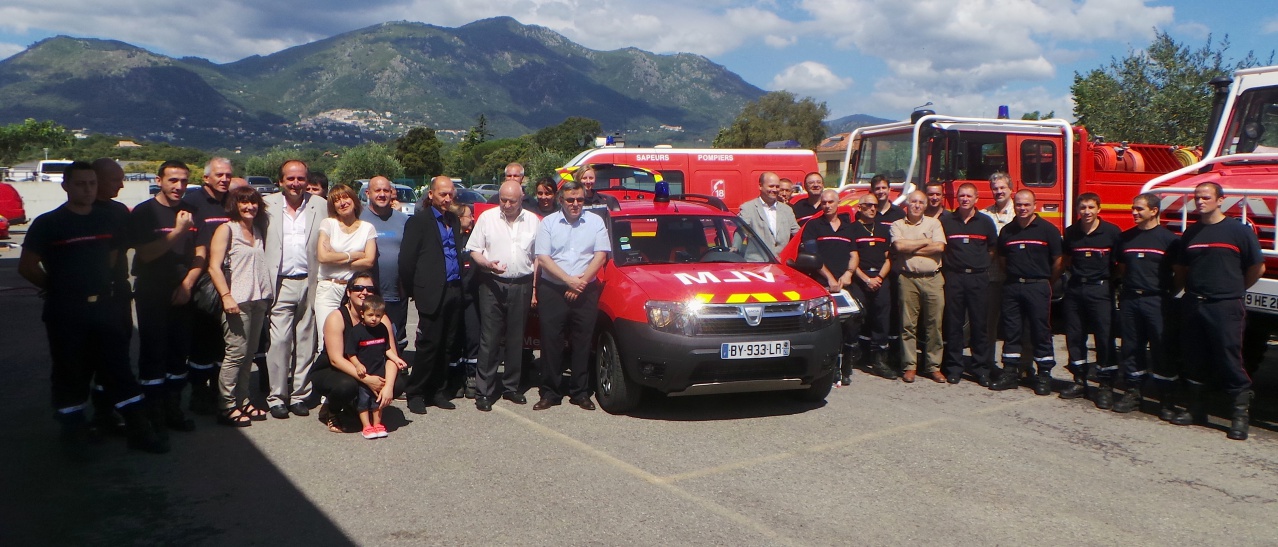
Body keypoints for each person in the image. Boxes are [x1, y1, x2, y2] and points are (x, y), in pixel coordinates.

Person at [19, 161, 167, 459]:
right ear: (65, 186)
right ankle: (73, 435)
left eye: (91, 184)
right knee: (70, 371)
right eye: (80, 184)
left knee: (119, 369)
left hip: (105, 308)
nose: (87, 189)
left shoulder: (107, 220)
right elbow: (27, 266)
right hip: (66, 313)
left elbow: (111, 263)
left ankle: (138, 430)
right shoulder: (48, 224)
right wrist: (57, 287)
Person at [1175, 182, 1264, 440]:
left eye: (1205, 197)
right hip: (1194, 303)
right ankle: (1196, 409)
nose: (1200, 202)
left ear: (1221, 200)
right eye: (1196, 198)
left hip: (1225, 305)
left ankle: (1239, 416)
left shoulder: (1238, 231)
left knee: (1229, 358)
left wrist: (1233, 289)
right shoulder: (1191, 233)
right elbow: (1182, 268)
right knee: (1194, 357)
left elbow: (1256, 268)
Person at [128, 160, 201, 436]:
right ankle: (153, 412)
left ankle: (173, 408)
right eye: (173, 180)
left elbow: (201, 252)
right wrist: (178, 232)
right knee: (153, 353)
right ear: (159, 180)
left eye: (183, 181)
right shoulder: (144, 213)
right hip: (152, 292)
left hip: (183, 291)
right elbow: (145, 254)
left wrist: (187, 284)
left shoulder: (191, 211)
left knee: (178, 353)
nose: (179, 186)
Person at [533, 181, 610, 410]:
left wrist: (581, 282)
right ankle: (550, 392)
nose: (575, 204)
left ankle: (580, 392)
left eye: (579, 199)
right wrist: (569, 281)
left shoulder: (596, 222)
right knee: (550, 342)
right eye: (570, 200)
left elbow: (601, 256)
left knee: (583, 342)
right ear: (561, 200)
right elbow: (543, 258)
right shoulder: (548, 223)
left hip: (586, 289)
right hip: (553, 288)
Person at [466, 180, 540, 410]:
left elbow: (538, 257)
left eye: (512, 201)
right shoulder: (488, 218)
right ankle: (484, 391)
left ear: (521, 199)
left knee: (516, 337)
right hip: (492, 282)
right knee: (490, 338)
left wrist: (535, 288)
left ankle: (511, 387)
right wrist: (486, 263)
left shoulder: (532, 220)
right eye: (503, 200)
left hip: (522, 283)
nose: (506, 205)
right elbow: (474, 250)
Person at [262, 159, 327, 419]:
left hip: (311, 281)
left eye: (300, 179)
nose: (296, 183)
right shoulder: (267, 205)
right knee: (278, 341)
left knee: (306, 340)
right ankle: (277, 396)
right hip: (280, 282)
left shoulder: (320, 205)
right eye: (290, 178)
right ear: (280, 181)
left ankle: (300, 394)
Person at [206, 186, 274, 427]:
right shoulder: (227, 229)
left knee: (248, 355)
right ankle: (226, 406)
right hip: (237, 301)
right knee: (235, 354)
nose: (249, 207)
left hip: (258, 300)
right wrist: (226, 296)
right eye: (244, 202)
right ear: (235, 205)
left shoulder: (256, 229)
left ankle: (243, 400)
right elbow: (214, 266)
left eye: (253, 202)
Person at [313, 271, 407, 433]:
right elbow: (336, 359)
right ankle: (332, 410)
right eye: (358, 288)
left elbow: (391, 354)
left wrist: (388, 387)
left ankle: (357, 407)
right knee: (346, 386)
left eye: (369, 289)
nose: (364, 292)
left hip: (369, 366)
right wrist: (369, 380)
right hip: (335, 370)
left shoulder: (381, 318)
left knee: (397, 383)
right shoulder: (337, 317)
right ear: (348, 292)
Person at [400, 176, 464, 414]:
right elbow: (407, 260)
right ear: (431, 194)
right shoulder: (419, 221)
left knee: (448, 345)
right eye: (442, 194)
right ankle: (415, 392)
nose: (447, 199)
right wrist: (414, 290)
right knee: (428, 345)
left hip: (454, 290)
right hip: (431, 292)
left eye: (450, 194)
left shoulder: (453, 220)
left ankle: (438, 390)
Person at [989, 190, 1062, 395]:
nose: (1022, 208)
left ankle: (1044, 375)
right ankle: (1010, 373)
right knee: (1011, 330)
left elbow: (1058, 261)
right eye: (1019, 204)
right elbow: (1002, 261)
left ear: (1035, 205)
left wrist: (1047, 282)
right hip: (1013, 285)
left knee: (1040, 331)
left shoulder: (1048, 230)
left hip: (1037, 286)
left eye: (1026, 205)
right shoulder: (1008, 231)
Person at [1116, 193, 1180, 416]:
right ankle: (1133, 392)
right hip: (1131, 299)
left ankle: (1166, 399)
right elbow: (1123, 269)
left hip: (1157, 300)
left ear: (1154, 211)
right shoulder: (1125, 239)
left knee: (1161, 348)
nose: (1134, 213)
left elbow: (1180, 274)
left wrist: (1165, 294)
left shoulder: (1169, 240)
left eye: (1139, 209)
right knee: (1131, 347)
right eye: (1133, 208)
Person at [1058, 193, 1121, 407]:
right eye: (1083, 207)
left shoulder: (1112, 233)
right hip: (1076, 288)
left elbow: (1119, 265)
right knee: (1075, 336)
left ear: (1099, 209)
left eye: (1091, 207)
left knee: (1104, 337)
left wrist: (1108, 284)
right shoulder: (1071, 233)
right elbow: (1066, 260)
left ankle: (1105, 385)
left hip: (1100, 290)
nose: (1086, 211)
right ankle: (1079, 380)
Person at [184, 157, 234, 415]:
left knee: (223, 342)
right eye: (219, 175)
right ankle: (198, 393)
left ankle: (217, 389)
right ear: (206, 178)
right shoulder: (192, 201)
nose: (224, 179)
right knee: (202, 339)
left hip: (230, 278)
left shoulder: (233, 201)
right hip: (203, 280)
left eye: (228, 175)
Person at [88, 158, 133, 435]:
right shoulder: (81, 213)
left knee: (118, 354)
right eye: (115, 179)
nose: (121, 184)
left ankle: (109, 409)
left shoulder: (120, 212)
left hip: (118, 292)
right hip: (88, 297)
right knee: (87, 357)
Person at [940, 183, 998, 385]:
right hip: (954, 277)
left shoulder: (985, 222)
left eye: (969, 196)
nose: (965, 199)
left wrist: (979, 265)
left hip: (978, 278)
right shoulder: (947, 221)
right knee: (954, 324)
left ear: (976, 199)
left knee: (979, 324)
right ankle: (954, 367)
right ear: (957, 198)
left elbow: (992, 249)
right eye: (961, 195)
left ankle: (980, 368)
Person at [801, 189, 859, 385]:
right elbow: (813, 257)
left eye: (830, 202)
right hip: (821, 285)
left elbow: (854, 254)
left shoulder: (848, 227)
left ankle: (847, 367)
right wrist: (830, 278)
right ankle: (830, 369)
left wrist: (849, 273)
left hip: (844, 284)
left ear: (838, 202)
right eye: (824, 202)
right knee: (829, 328)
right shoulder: (813, 226)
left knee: (850, 326)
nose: (826, 205)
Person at [890, 190, 947, 383]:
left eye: (920, 202)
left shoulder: (934, 223)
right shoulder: (897, 225)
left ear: (925, 205)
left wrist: (911, 247)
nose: (916, 205)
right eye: (913, 201)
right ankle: (910, 366)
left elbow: (939, 248)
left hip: (933, 278)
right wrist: (925, 241)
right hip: (908, 279)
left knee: (934, 325)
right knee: (908, 325)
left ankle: (933, 366)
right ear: (907, 204)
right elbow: (899, 248)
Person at [314, 184, 378, 352]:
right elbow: (323, 257)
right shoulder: (328, 224)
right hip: (328, 288)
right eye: (336, 200)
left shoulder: (367, 228)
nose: (342, 203)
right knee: (326, 341)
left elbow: (369, 261)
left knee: (354, 338)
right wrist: (354, 255)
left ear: (354, 200)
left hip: (356, 290)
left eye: (345, 198)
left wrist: (336, 256)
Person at [343, 294, 406, 439]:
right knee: (364, 401)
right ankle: (366, 426)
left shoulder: (382, 328)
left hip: (379, 370)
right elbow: (350, 353)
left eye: (378, 315)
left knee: (377, 401)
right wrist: (357, 365)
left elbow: (387, 349)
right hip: (364, 374)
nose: (374, 319)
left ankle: (377, 424)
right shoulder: (357, 331)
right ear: (362, 314)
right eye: (370, 315)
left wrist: (397, 359)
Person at [849, 193, 895, 379]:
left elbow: (889, 258)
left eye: (875, 205)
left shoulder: (883, 230)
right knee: (857, 319)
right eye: (868, 205)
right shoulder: (851, 229)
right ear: (859, 208)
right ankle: (854, 356)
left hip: (880, 280)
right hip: (860, 279)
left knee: (882, 319)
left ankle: (879, 360)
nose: (872, 209)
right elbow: (851, 259)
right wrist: (866, 279)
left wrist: (879, 278)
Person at [362, 176, 411, 351]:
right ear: (368, 193)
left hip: (397, 291)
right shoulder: (358, 218)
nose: (382, 195)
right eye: (377, 190)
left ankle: (397, 370)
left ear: (392, 193)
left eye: (386, 191)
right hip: (367, 290)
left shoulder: (403, 220)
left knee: (396, 335)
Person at [981, 172, 1016, 364]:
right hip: (991, 278)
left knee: (1014, 324)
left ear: (1011, 189)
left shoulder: (1019, 214)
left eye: (1003, 187)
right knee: (989, 324)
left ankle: (1015, 366)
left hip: (1013, 278)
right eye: (995, 188)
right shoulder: (984, 215)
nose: (999, 191)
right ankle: (987, 363)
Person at [449, 201, 480, 399]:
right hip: (453, 297)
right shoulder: (450, 239)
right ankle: (455, 379)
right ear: (460, 218)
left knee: (472, 337)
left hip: (471, 298)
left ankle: (472, 377)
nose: (473, 218)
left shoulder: (474, 238)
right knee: (455, 338)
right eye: (469, 215)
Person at [736, 172, 799, 262]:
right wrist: (734, 250)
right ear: (760, 186)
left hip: (782, 263)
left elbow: (797, 233)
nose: (775, 190)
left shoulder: (787, 210)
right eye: (771, 186)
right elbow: (740, 233)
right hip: (757, 263)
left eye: (777, 187)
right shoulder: (748, 208)